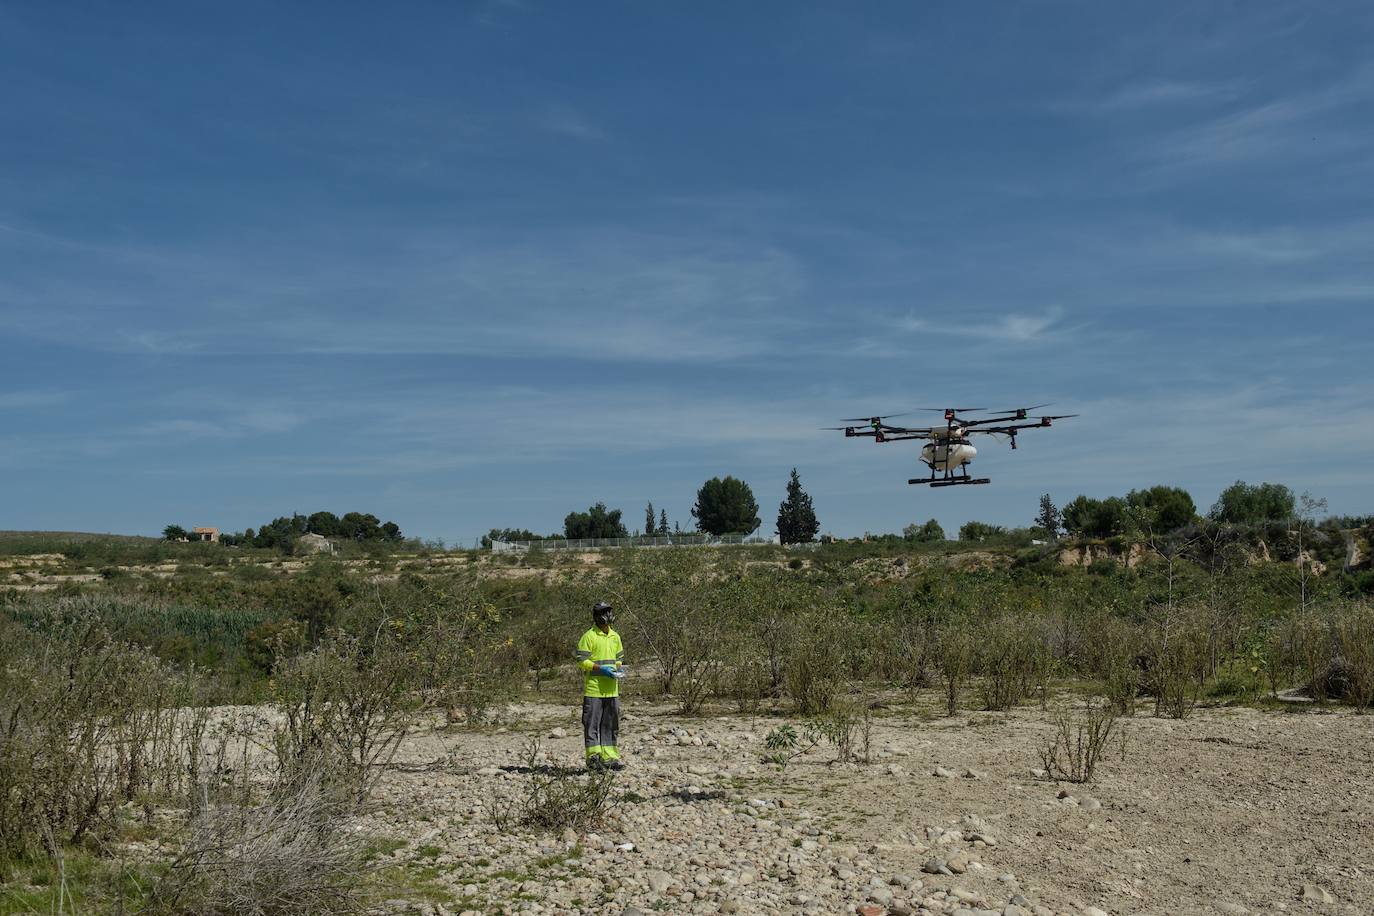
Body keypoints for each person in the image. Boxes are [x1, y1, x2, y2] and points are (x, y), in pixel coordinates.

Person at [575, 600, 625, 770]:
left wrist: (616, 669)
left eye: (609, 611)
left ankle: (610, 757)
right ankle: (593, 758)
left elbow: (619, 659)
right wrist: (600, 669)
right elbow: (581, 661)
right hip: (594, 689)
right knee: (592, 724)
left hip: (611, 690)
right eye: (604, 612)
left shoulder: (615, 636)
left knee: (611, 724)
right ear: (597, 617)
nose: (607, 615)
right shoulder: (589, 636)